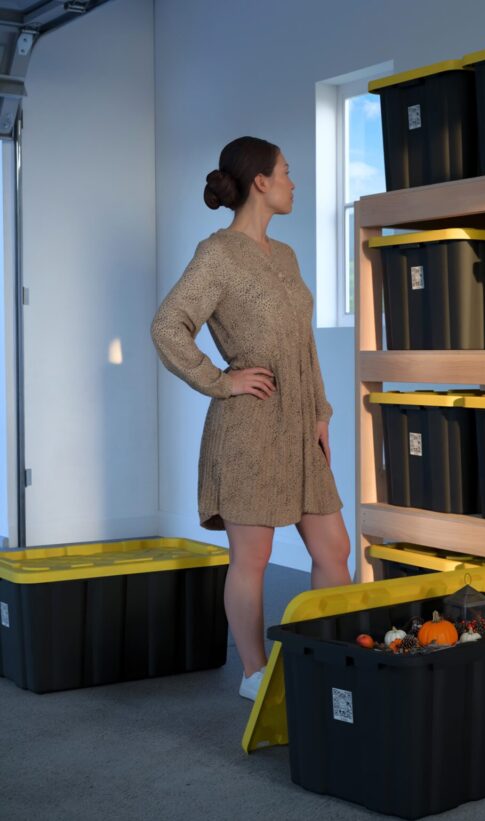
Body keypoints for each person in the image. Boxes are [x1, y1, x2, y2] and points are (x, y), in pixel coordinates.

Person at [151, 136, 351, 700]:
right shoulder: (216, 254)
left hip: (299, 424)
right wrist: (221, 380)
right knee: (254, 558)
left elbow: (302, 344)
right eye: (286, 172)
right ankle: (254, 673)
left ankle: (326, 654)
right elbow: (168, 325)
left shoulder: (283, 255)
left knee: (333, 548)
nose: (293, 182)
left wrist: (319, 413)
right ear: (261, 182)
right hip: (249, 429)